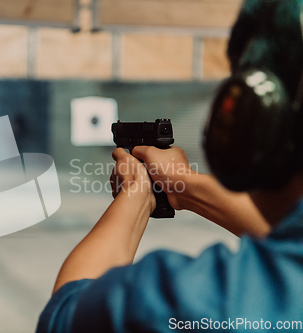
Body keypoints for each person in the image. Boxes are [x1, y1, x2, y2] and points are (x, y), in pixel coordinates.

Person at [36, 1, 303, 332]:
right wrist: (181, 184)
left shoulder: (218, 303)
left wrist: (134, 195)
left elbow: (65, 314)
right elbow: (289, 236)